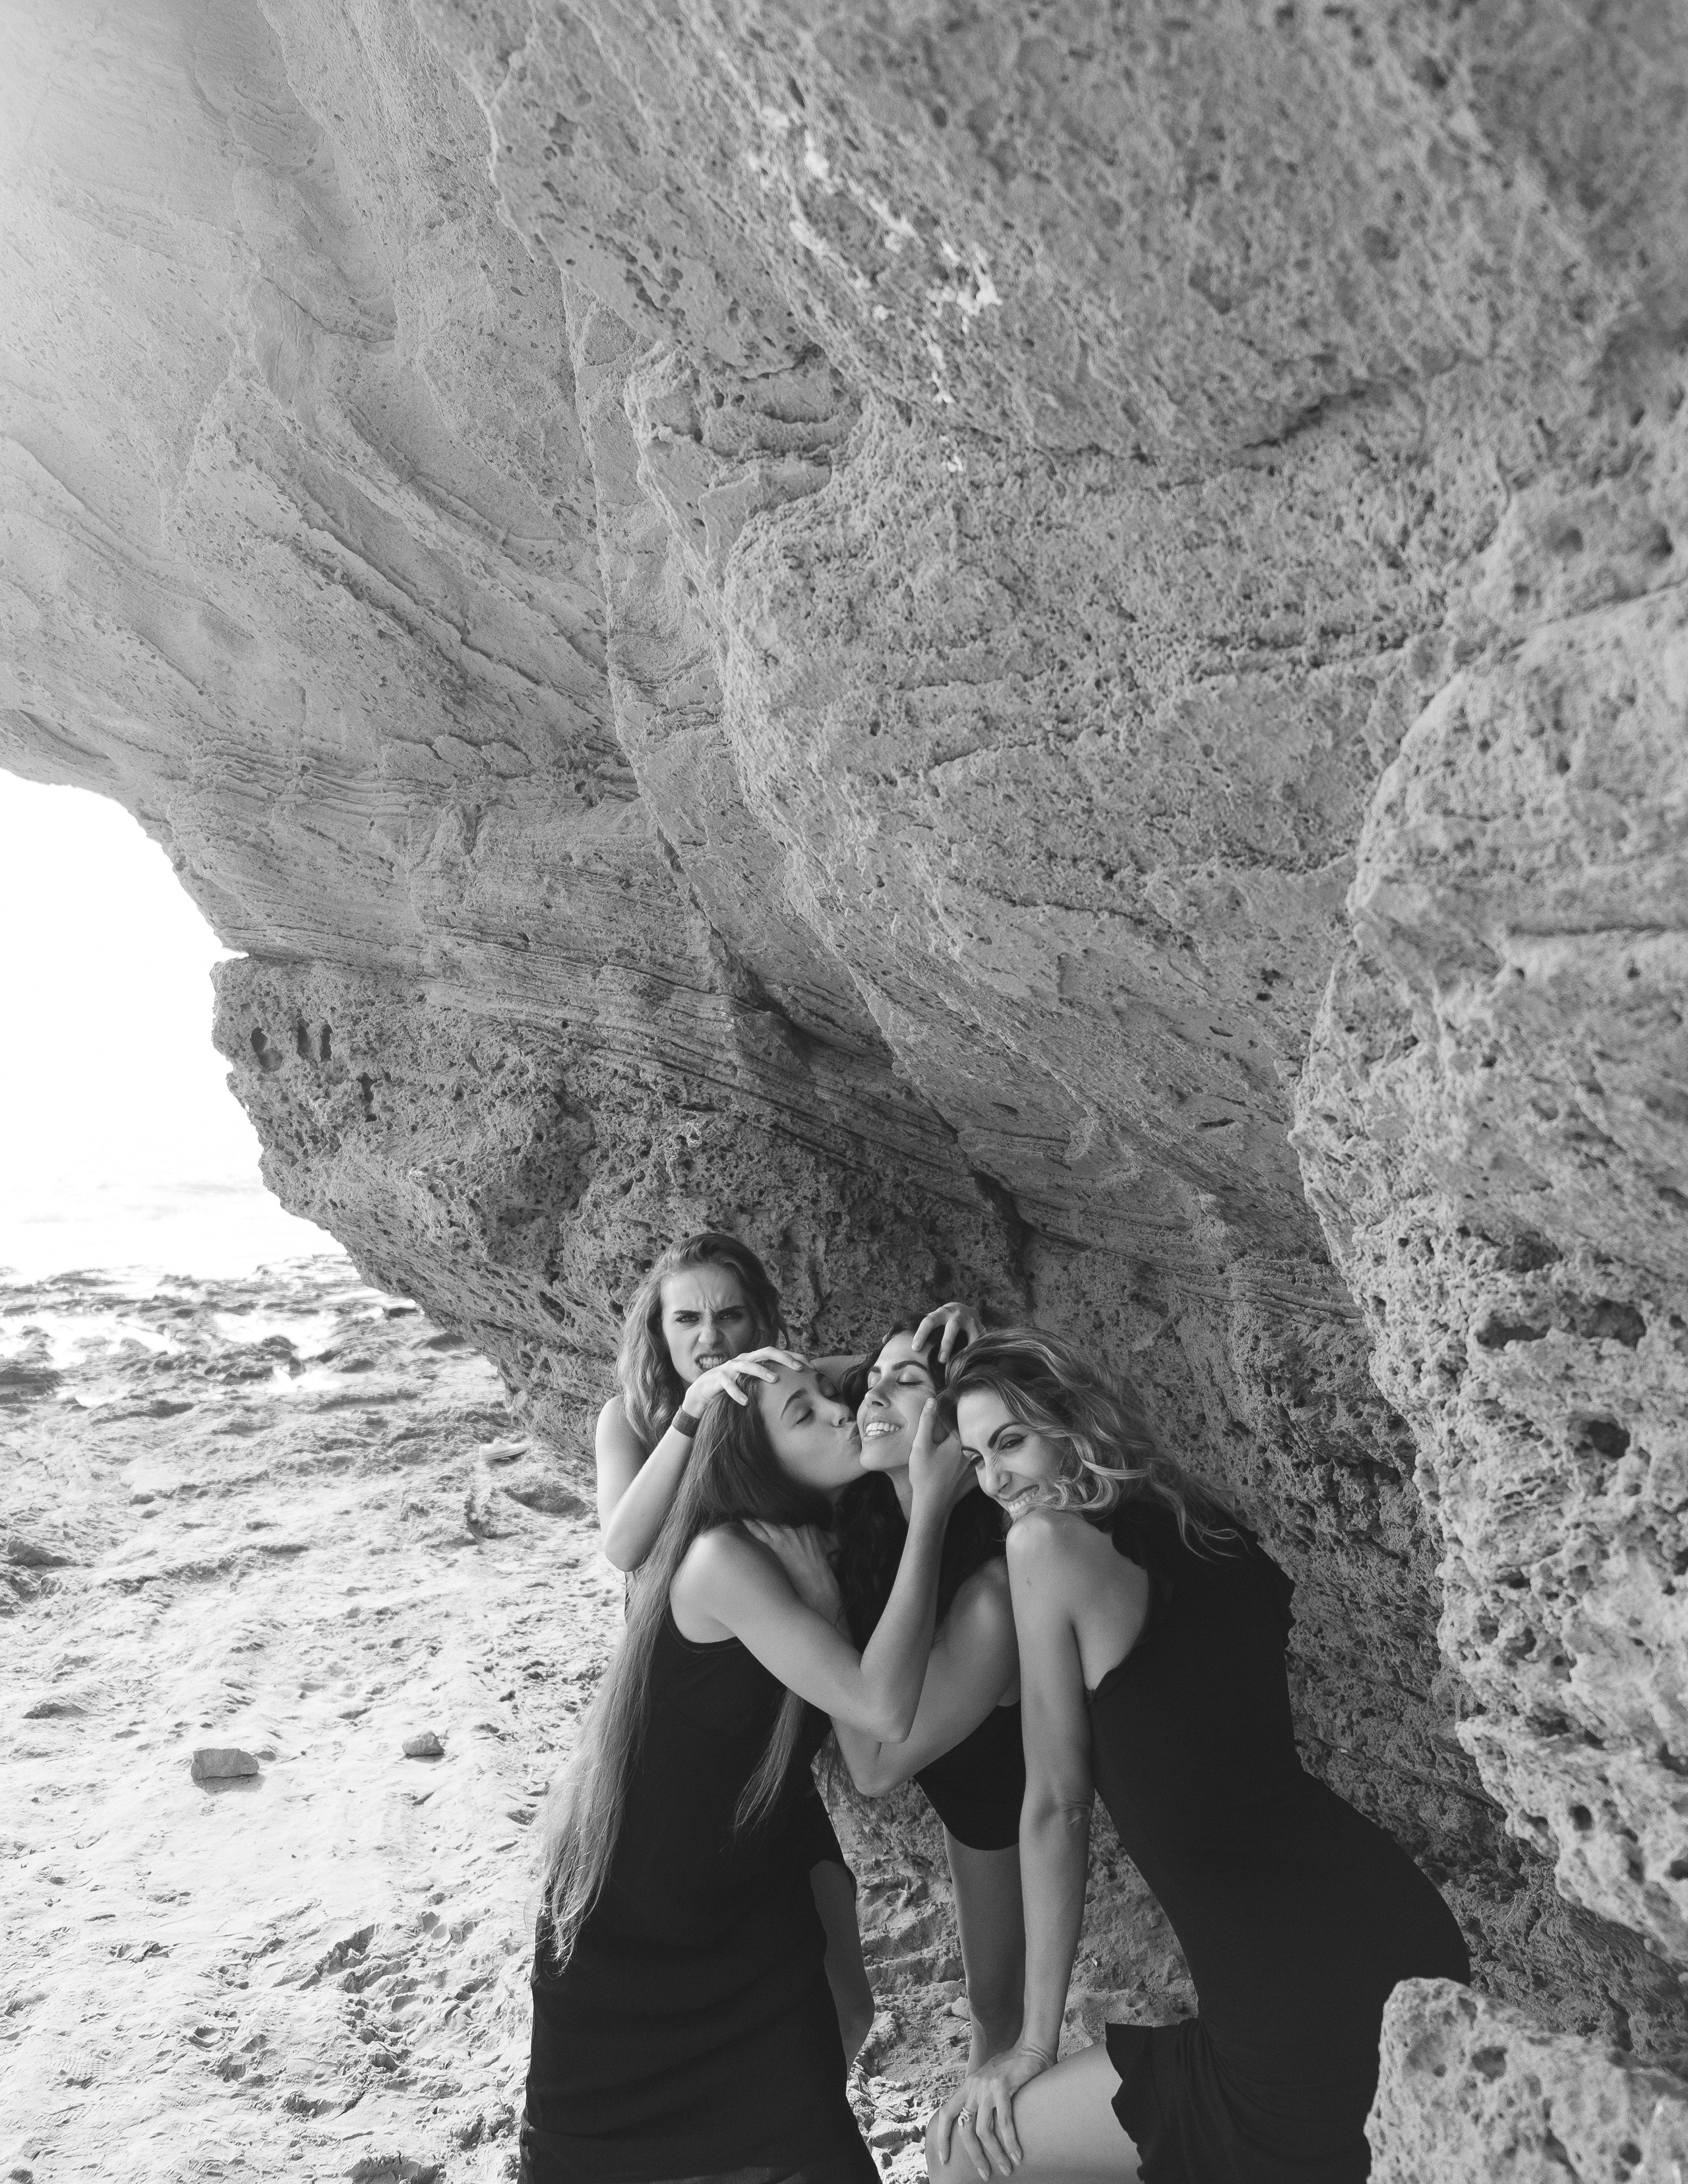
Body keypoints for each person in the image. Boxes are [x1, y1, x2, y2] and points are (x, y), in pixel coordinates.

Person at [928, 1330, 1470, 2184]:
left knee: (964, 2155)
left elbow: (1058, 1804)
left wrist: (1034, 2042)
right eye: (974, 1459)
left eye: (1010, 1442)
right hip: (1394, 1934)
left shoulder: (1045, 1545)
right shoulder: (1195, 1515)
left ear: (1068, 1423)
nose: (993, 1479)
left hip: (1296, 2006)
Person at [523, 1360, 973, 2181]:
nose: (840, 1412)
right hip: (645, 1897)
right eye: (805, 1413)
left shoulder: (817, 1537)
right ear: (754, 1461)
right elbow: (880, 1709)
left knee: (823, 2061)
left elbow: (857, 1373)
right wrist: (933, 1509)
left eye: (831, 1399)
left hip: (752, 1847)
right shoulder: (722, 1559)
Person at [592, 1228, 872, 2060]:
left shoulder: (784, 1393)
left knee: (845, 2003)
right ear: (658, 1330)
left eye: (730, 1315)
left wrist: (939, 1330)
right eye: (686, 1319)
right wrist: (692, 1415)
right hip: (684, 1727)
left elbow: (885, 1367)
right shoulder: (633, 1419)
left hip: (776, 1720)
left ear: (761, 1322)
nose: (709, 1337)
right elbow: (624, 1546)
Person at [830, 1325, 1026, 2069]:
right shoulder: (868, 1528)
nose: (873, 1393)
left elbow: (875, 1768)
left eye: (907, 1380)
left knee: (994, 2010)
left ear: (955, 1425)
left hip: (1005, 1810)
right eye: (871, 1377)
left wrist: (818, 1607)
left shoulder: (991, 1596)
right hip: (961, 1793)